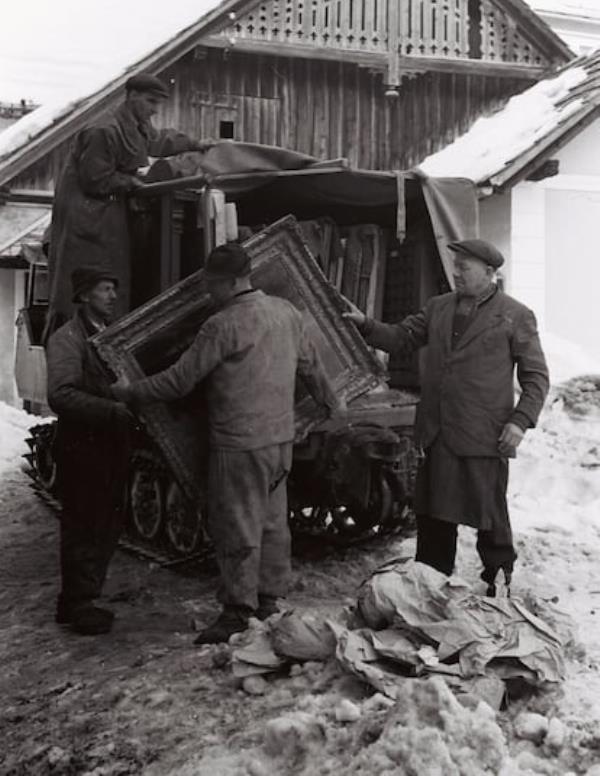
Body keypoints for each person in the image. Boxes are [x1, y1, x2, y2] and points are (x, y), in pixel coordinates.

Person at [112, 243, 340, 644]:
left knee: (236, 525)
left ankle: (238, 610)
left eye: (213, 285)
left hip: (239, 443)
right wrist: (331, 404)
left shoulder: (222, 325)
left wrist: (128, 392)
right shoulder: (287, 312)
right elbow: (312, 367)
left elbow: (178, 381)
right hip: (279, 441)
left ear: (233, 281)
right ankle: (268, 599)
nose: (209, 293)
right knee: (272, 522)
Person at [344, 238, 549, 596]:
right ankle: (431, 582)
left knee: (490, 512)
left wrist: (520, 421)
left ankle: (499, 580)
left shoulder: (516, 314)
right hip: (438, 431)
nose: (456, 273)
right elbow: (401, 338)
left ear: (489, 273)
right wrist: (364, 323)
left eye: (464, 267)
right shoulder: (438, 307)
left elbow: (536, 378)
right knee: (435, 511)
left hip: (485, 433)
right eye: (455, 266)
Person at [45, 73, 213, 340]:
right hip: (86, 216)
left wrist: (195, 143)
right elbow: (95, 180)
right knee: (87, 282)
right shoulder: (104, 130)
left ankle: (106, 339)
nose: (154, 110)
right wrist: (133, 182)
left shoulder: (134, 123)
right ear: (132, 96)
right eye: (150, 102)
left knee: (110, 280)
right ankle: (76, 341)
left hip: (107, 211)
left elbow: (158, 141)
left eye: (158, 104)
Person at [47, 267, 134, 635]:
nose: (113, 295)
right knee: (85, 523)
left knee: (104, 522)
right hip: (83, 444)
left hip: (107, 442)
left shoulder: (107, 335)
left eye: (114, 288)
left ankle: (76, 600)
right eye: (104, 289)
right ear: (84, 296)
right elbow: (61, 395)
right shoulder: (68, 339)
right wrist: (113, 408)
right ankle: (80, 603)